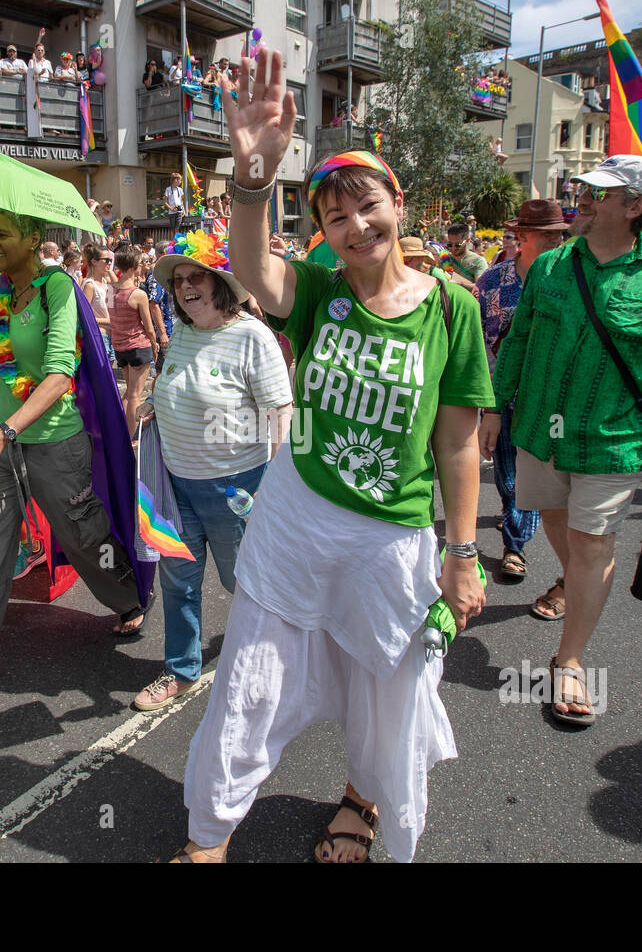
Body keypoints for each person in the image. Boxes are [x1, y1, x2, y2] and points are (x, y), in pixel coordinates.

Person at [174, 53, 493, 865]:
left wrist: (463, 555)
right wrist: (251, 177)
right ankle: (208, 835)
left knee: (388, 684)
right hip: (295, 519)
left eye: (368, 207)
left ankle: (364, 797)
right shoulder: (321, 288)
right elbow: (251, 271)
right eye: (335, 216)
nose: (355, 227)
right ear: (322, 230)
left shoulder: (452, 308)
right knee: (251, 675)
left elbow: (458, 442)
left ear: (397, 206)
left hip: (391, 535)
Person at [479, 155, 642, 727]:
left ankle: (570, 661)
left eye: (601, 193)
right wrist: (495, 408)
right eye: (584, 188)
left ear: (637, 206)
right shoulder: (550, 266)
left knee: (590, 539)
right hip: (538, 433)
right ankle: (574, 577)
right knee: (560, 525)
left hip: (613, 439)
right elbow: (520, 339)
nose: (585, 198)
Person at [0, 208, 147, 701]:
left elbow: (61, 373)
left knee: (82, 534)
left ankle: (127, 597)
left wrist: (2, 432)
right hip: (1, 442)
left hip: (55, 441)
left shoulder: (57, 288)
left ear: (33, 238)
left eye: (2, 235)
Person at [134, 239, 293, 711]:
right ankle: (180, 669)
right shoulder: (181, 334)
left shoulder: (253, 337)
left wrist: (274, 492)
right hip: (172, 483)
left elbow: (279, 418)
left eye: (196, 277)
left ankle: (271, 658)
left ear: (222, 284)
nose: (185, 288)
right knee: (177, 579)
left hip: (236, 488)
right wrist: (154, 405)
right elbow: (172, 383)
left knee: (244, 582)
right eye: (178, 281)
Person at [475, 200, 569, 586]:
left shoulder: (571, 281)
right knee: (507, 475)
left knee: (534, 480)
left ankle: (515, 547)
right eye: (545, 235)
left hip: (552, 400)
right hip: (503, 394)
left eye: (559, 234)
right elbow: (478, 343)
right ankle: (515, 519)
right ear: (523, 236)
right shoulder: (493, 281)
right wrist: (486, 405)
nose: (555, 242)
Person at [108, 245, 158, 435]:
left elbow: (112, 317)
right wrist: (154, 345)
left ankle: (120, 430)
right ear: (132, 266)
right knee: (135, 395)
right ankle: (130, 436)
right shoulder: (138, 294)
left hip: (120, 346)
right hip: (138, 346)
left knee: (130, 393)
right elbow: (148, 326)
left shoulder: (110, 290)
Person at [441, 222, 487, 288]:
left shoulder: (478, 261)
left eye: (457, 245)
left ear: (467, 240)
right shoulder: (445, 259)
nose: (453, 248)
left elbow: (480, 287)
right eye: (450, 244)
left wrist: (459, 284)